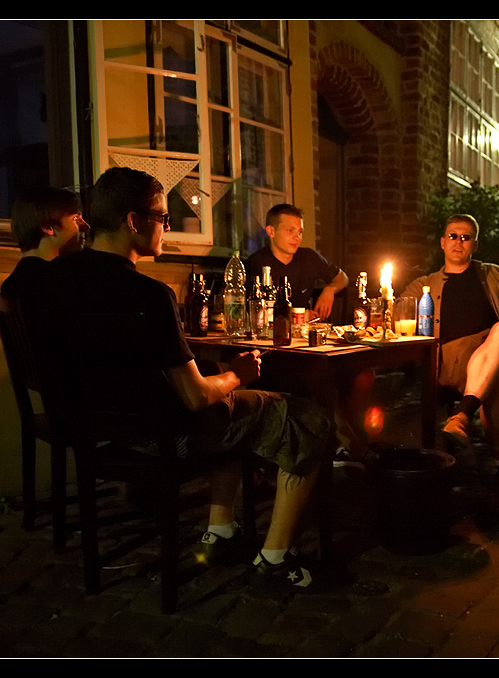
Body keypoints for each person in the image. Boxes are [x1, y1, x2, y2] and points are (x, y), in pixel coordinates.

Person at [52, 168, 332, 595]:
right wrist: (238, 374)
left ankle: (221, 529)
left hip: (93, 429)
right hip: (165, 435)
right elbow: (195, 396)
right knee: (306, 416)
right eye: (163, 218)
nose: (166, 228)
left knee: (237, 410)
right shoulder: (148, 295)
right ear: (133, 221)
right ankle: (274, 559)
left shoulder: (56, 282)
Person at [403, 214, 499, 465]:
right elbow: (396, 314)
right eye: (453, 236)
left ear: (475, 245)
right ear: (442, 242)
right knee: (495, 380)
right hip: (454, 364)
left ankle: (462, 417)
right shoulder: (425, 286)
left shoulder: (494, 275)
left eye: (466, 237)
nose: (458, 242)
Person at [245, 204, 349, 320]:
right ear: (271, 232)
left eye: (300, 232)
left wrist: (330, 290)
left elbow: (342, 278)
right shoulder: (257, 263)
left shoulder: (309, 257)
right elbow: (253, 313)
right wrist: (297, 317)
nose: (297, 237)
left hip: (302, 334)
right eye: (290, 231)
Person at [1, 186, 89, 299]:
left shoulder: (14, 283)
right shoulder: (59, 284)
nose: (86, 226)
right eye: (76, 218)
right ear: (49, 227)